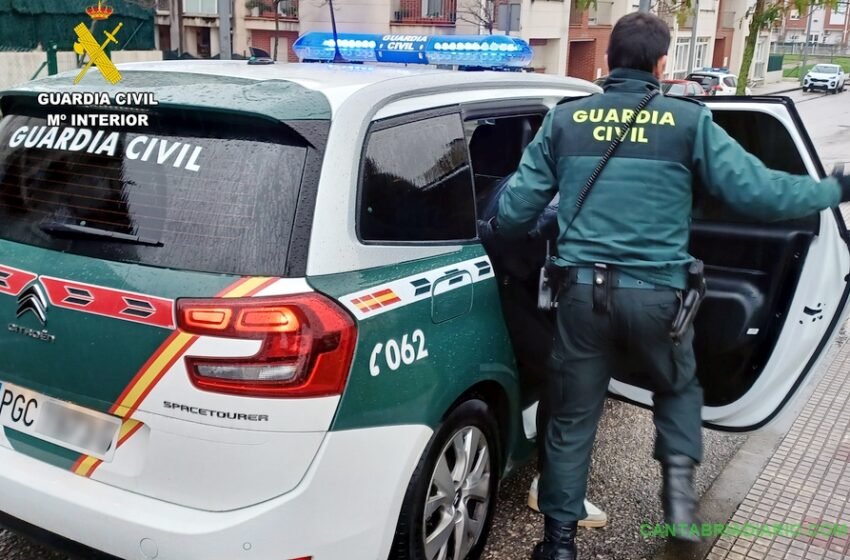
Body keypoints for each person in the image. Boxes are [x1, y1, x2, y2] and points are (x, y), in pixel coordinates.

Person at [479, 11, 850, 560]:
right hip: (661, 301)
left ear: (607, 61)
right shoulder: (689, 122)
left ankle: (558, 546)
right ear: (660, 64)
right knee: (678, 390)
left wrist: (494, 226)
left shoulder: (564, 121)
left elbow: (513, 214)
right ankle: (678, 501)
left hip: (580, 298)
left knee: (572, 420)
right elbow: (761, 194)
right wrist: (830, 190)